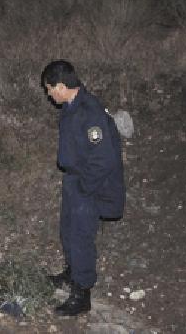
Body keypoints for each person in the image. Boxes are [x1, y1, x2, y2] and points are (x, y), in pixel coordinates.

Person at [40, 60, 126, 316]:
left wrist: (84, 188)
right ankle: (71, 272)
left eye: (49, 89)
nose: (48, 94)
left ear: (62, 86)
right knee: (67, 232)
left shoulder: (90, 112)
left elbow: (105, 158)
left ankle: (82, 293)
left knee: (81, 238)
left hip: (89, 185)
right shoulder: (71, 107)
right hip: (74, 181)